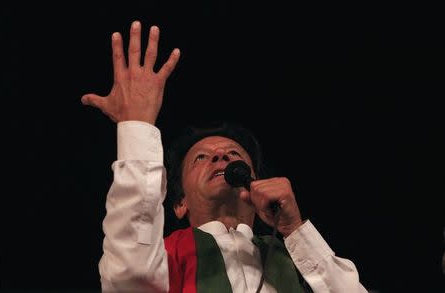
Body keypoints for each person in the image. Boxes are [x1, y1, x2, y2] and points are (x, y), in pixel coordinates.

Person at [81, 20, 369, 293]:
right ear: (180, 203)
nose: (221, 157)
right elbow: (130, 278)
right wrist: (137, 125)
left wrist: (294, 230)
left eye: (234, 154)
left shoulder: (293, 260)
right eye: (201, 158)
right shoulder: (164, 253)